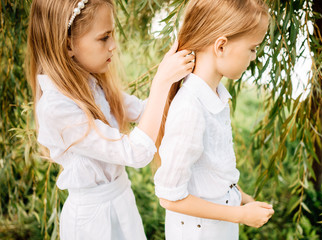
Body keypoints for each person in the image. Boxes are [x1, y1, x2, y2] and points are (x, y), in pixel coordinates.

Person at [26, 0, 194, 239]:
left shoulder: (92, 83)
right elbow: (135, 153)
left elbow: (147, 111)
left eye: (112, 35)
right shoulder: (56, 108)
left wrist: (182, 81)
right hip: (92, 223)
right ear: (67, 45)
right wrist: (161, 82)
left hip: (122, 203)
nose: (113, 45)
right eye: (104, 38)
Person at [153, 0, 274, 239]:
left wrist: (242, 199)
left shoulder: (214, 98)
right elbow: (169, 197)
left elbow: (213, 170)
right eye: (252, 48)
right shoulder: (190, 109)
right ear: (221, 46)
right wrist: (241, 215)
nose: (254, 57)